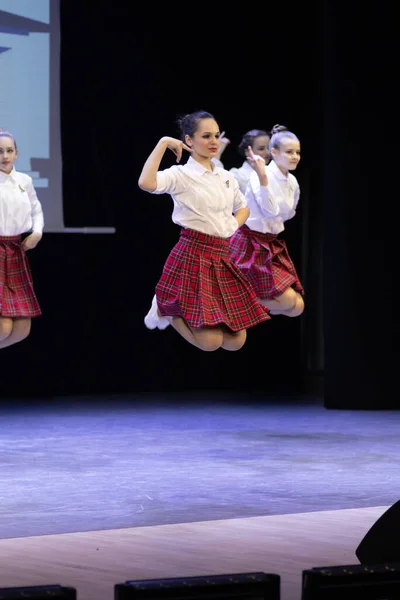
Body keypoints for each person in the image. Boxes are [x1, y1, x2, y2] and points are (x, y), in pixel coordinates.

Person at [139, 110, 270, 352]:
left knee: (235, 342)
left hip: (221, 256)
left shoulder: (224, 176)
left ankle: (167, 306)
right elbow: (146, 183)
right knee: (210, 344)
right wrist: (164, 143)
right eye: (206, 136)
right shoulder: (181, 174)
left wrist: (233, 225)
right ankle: (166, 309)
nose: (213, 141)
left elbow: (243, 208)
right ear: (189, 140)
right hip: (193, 253)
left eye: (216, 136)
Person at [229, 124, 304, 317]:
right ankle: (233, 299)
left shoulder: (292, 181)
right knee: (289, 301)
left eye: (297, 152)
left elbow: (289, 214)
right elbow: (271, 211)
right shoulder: (260, 175)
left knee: (298, 307)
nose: (295, 156)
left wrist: (280, 211)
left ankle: (239, 302)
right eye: (289, 152)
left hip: (270, 243)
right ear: (274, 152)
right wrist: (262, 177)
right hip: (251, 242)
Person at [0, 129, 43, 349]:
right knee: (3, 327)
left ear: (16, 153)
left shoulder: (24, 181)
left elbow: (37, 210)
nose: (4, 156)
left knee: (22, 330)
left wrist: (36, 233)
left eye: (9, 151)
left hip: (15, 251)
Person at [212, 129, 271, 193]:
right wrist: (218, 152)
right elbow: (220, 186)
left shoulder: (273, 172)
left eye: (269, 148)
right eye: (261, 149)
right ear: (247, 152)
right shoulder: (238, 175)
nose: (267, 152)